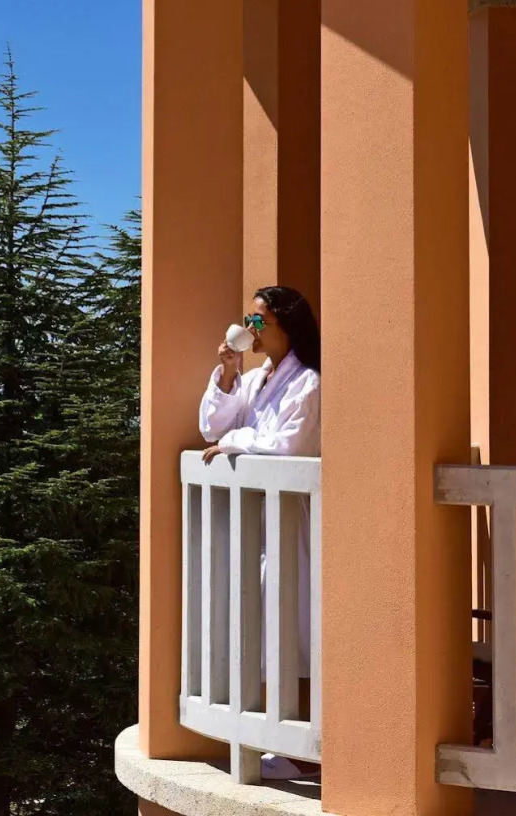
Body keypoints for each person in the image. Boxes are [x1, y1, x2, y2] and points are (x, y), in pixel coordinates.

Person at [197, 286, 321, 782]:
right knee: (267, 626)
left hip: (293, 522)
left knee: (295, 627)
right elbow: (210, 424)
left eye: (259, 319)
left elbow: (286, 446)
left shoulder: (308, 382)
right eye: (249, 317)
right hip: (261, 527)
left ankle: (302, 745)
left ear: (286, 324)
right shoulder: (257, 378)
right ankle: (279, 735)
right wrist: (227, 373)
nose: (251, 327)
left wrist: (234, 440)